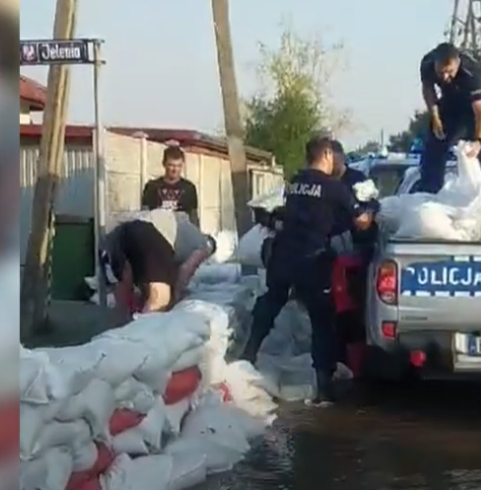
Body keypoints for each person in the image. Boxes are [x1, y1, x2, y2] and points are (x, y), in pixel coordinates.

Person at [240, 136, 375, 405]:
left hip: (283, 254)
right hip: (312, 260)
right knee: (322, 321)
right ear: (325, 154)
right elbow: (360, 222)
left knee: (271, 302)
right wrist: (370, 211)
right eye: (334, 155)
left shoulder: (294, 182)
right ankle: (323, 389)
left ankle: (247, 355)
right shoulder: (333, 187)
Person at [101, 209, 216, 317]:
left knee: (123, 287)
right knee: (160, 299)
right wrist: (175, 298)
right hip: (148, 233)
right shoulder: (204, 245)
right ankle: (141, 334)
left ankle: (122, 328)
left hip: (118, 234)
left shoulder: (185, 230)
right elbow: (186, 269)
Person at [417, 42, 481, 194]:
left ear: (457, 63)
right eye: (440, 72)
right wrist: (435, 117)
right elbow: (428, 90)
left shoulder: (471, 72)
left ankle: (479, 188)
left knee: (476, 148)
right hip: (448, 101)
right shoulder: (427, 63)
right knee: (434, 143)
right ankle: (429, 189)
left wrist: (479, 141)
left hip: (471, 105)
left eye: (449, 72)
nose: (445, 77)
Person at [141, 145, 200, 227]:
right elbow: (144, 216)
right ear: (164, 164)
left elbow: (194, 218)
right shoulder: (152, 187)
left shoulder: (189, 188)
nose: (175, 170)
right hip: (157, 234)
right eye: (171, 165)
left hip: (181, 234)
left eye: (179, 166)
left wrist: (196, 236)